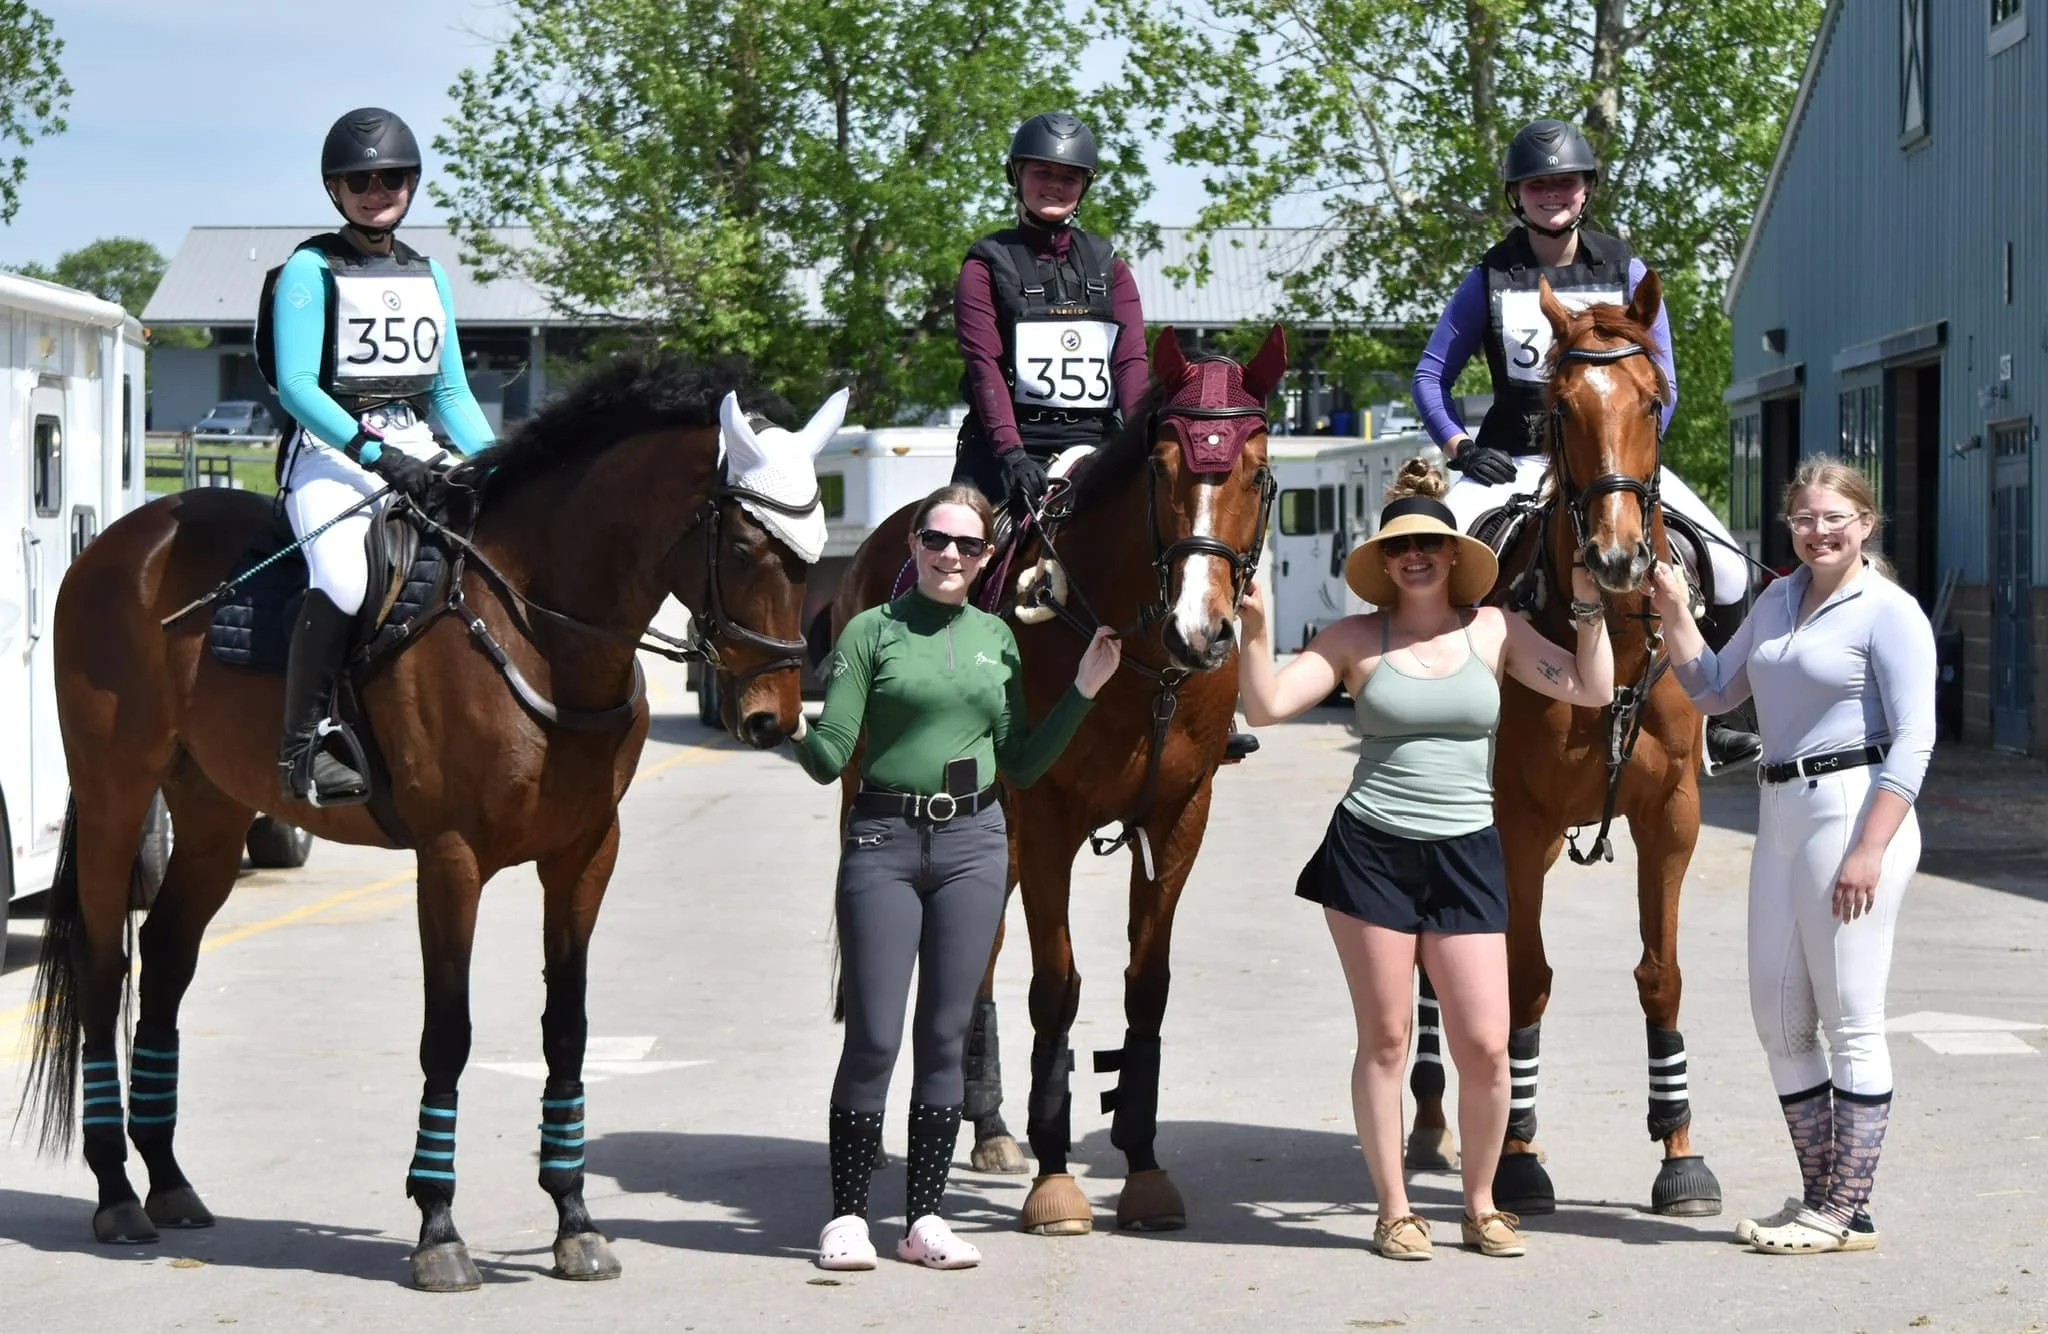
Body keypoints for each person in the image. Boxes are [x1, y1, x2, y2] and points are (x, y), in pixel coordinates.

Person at [1235, 460, 1614, 1261]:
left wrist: (1587, 609)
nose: (1416, 557)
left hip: (1470, 850)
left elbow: (1590, 688)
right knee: (1386, 1038)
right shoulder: (1351, 640)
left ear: (1452, 556)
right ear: (1385, 560)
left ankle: (1479, 1204)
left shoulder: (1495, 630)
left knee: (1483, 1041)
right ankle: (1395, 1211)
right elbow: (1264, 706)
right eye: (1401, 545)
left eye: (1430, 545)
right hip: (1370, 852)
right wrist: (1257, 626)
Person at [787, 484, 1121, 1271]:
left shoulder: (997, 640)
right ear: (914, 544)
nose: (950, 556)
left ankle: (925, 1219)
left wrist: (1083, 690)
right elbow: (833, 752)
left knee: (944, 1037)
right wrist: (789, 725)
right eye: (937, 540)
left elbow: (1025, 763)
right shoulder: (872, 631)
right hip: (883, 840)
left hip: (975, 842)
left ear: (984, 561)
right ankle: (845, 1218)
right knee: (872, 1036)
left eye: (968, 547)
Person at [1409, 117, 1761, 772]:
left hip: (1614, 467)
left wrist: (1628, 457)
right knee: (1424, 559)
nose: (1553, 194)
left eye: (1565, 182)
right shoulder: (1489, 276)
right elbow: (1430, 375)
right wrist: (1458, 446)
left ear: (1585, 190)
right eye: (1538, 185)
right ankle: (1427, 719)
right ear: (1518, 195)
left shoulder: (1627, 269)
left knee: (1732, 564)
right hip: (1511, 461)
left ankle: (1727, 719)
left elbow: (1667, 385)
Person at [1649, 456, 1935, 1256]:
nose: (1817, 532)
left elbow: (1915, 739)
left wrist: (1870, 848)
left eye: (1833, 518)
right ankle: (1823, 1198)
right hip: (1779, 808)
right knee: (1779, 1020)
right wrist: (1675, 611)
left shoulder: (1889, 611)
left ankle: (1845, 1207)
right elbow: (1711, 691)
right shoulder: (1777, 598)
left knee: (1850, 1017)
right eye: (1804, 519)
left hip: (1853, 807)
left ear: (1864, 524)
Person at [267, 107, 496, 804]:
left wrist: (499, 461)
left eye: (391, 177)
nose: (376, 189)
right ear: (335, 189)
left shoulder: (430, 275)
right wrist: (373, 452)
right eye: (359, 179)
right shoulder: (311, 269)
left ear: (412, 183)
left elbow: (449, 390)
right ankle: (303, 749)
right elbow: (299, 387)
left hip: (417, 442)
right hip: (329, 451)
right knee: (340, 575)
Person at [952, 111, 1147, 513]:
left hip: (1097, 445)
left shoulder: (1111, 264)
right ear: (1016, 176)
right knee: (954, 541)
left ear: (1084, 186)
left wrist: (1146, 437)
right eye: (1042, 173)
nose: (1055, 185)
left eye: (1069, 177)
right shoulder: (984, 265)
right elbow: (983, 364)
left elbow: (1129, 362)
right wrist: (1013, 455)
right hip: (1005, 449)